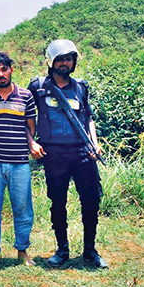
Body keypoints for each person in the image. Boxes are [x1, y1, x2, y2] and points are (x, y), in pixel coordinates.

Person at [27, 39, 108, 268]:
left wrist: (94, 142)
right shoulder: (38, 86)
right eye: (60, 59)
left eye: (68, 59)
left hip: (82, 151)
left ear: (74, 61)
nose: (65, 63)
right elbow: (26, 116)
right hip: (53, 153)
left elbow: (88, 117)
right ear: (51, 61)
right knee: (58, 201)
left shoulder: (81, 87)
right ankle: (62, 250)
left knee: (91, 201)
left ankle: (90, 251)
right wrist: (30, 142)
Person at [0, 52, 37, 267]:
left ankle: (22, 251)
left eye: (4, 69)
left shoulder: (26, 96)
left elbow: (30, 127)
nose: (1, 74)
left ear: (11, 69)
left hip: (20, 161)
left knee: (22, 208)